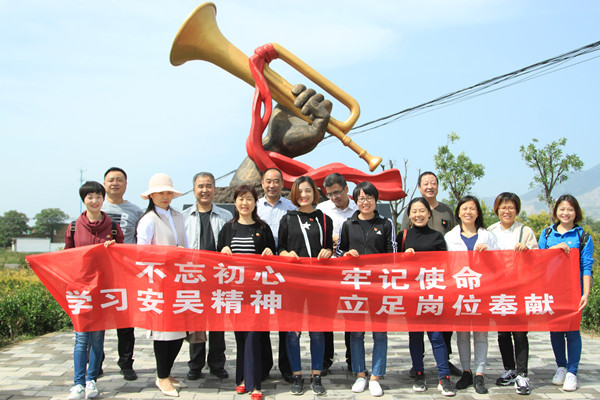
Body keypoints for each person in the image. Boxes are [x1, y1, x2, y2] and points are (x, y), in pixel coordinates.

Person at [64, 181, 124, 400]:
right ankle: (78, 383)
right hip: (80, 290)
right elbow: (66, 256)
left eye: (98, 196)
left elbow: (123, 257)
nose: (94, 200)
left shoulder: (113, 227)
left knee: (98, 339)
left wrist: (114, 249)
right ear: (84, 200)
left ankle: (91, 381)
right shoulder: (73, 227)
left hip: (102, 289)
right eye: (90, 197)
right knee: (81, 339)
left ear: (103, 199)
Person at [217, 184, 276, 400]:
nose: (245, 203)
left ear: (255, 202)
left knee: (253, 335)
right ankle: (242, 379)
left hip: (256, 293)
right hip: (235, 293)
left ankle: (255, 383)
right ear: (235, 202)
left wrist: (270, 253)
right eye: (241, 198)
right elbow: (217, 262)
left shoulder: (263, 228)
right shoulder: (227, 229)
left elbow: (273, 259)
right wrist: (222, 252)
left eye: (249, 198)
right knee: (240, 336)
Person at [337, 181, 395, 397]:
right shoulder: (347, 224)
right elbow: (339, 252)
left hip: (379, 287)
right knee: (356, 333)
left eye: (369, 197)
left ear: (376, 200)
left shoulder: (386, 224)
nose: (365, 202)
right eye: (361, 198)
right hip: (355, 287)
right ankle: (360, 374)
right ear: (355, 201)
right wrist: (346, 255)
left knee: (380, 333)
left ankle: (376, 377)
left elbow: (392, 255)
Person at [278, 176, 333, 395]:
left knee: (317, 331)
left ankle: (316, 375)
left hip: (319, 283)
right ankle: (297, 375)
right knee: (293, 332)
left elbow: (329, 247)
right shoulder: (287, 219)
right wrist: (285, 254)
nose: (304, 195)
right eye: (300, 191)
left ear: (314, 193)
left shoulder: (325, 219)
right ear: (294, 194)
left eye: (308, 190)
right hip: (293, 283)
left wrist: (328, 251)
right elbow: (280, 248)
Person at [400, 171, 460, 377]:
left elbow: (447, 257)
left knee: (439, 333)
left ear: (428, 214)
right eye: (414, 212)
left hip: (435, 288)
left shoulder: (441, 225)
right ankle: (418, 368)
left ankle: (444, 369)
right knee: (415, 334)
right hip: (412, 289)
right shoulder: (404, 235)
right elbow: (394, 260)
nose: (418, 215)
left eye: (422, 211)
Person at [137, 173, 188, 397]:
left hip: (180, 281)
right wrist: (167, 257)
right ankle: (162, 376)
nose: (165, 196)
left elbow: (185, 246)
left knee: (179, 331)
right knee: (163, 332)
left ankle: (166, 372)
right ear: (151, 196)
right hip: (159, 283)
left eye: (168, 192)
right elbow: (142, 254)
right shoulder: (148, 220)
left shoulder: (178, 216)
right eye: (160, 193)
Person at [538, 194, 593, 392]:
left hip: (573, 290)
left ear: (576, 212)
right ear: (556, 212)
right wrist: (555, 249)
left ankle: (572, 371)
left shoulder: (583, 236)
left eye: (570, 209)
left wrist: (586, 293)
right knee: (555, 330)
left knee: (572, 331)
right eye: (562, 209)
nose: (566, 213)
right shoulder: (546, 234)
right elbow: (538, 260)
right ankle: (561, 366)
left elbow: (586, 266)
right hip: (552, 290)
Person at [444, 195, 498, 395]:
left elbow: (500, 262)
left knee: (481, 334)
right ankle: (466, 371)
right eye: (464, 208)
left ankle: (480, 373)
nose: (468, 212)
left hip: (482, 291)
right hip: (459, 291)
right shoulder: (450, 237)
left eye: (472, 208)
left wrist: (489, 253)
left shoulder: (488, 236)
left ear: (478, 213)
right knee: (463, 333)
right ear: (458, 212)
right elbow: (445, 265)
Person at [182, 172, 232, 380]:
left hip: (218, 278)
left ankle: (217, 364)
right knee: (196, 323)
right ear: (194, 189)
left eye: (209, 186)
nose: (205, 190)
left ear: (214, 189)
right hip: (193, 278)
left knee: (218, 324)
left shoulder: (225, 216)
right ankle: (195, 365)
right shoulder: (183, 217)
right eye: (200, 186)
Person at [487, 192, 538, 395]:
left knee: (520, 332)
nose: (507, 211)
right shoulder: (490, 231)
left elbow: (538, 258)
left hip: (520, 288)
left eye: (511, 207)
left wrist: (527, 250)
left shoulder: (525, 231)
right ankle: (509, 369)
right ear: (497, 210)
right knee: (502, 332)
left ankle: (522, 373)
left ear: (516, 210)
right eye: (503, 207)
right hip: (499, 289)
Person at [102, 167, 143, 381]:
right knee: (97, 321)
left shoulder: (135, 211)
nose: (115, 183)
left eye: (119, 180)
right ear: (104, 184)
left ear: (126, 184)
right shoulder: (96, 207)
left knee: (126, 322)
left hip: (126, 273)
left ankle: (126, 363)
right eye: (111, 180)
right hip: (99, 274)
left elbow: (141, 241)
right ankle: (95, 363)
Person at [256, 167, 296, 383]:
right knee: (261, 321)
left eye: (276, 181)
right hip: (259, 273)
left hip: (284, 272)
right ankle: (263, 366)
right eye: (268, 181)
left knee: (286, 321)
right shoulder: (254, 207)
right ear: (262, 183)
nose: (272, 185)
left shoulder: (291, 208)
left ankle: (287, 367)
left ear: (282, 184)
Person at [316, 172, 358, 373]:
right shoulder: (322, 210)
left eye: (338, 192)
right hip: (327, 271)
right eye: (330, 194)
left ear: (346, 189)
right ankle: (326, 359)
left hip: (352, 272)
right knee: (326, 315)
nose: (334, 197)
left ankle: (353, 359)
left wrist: (341, 242)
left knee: (352, 314)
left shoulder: (358, 208)